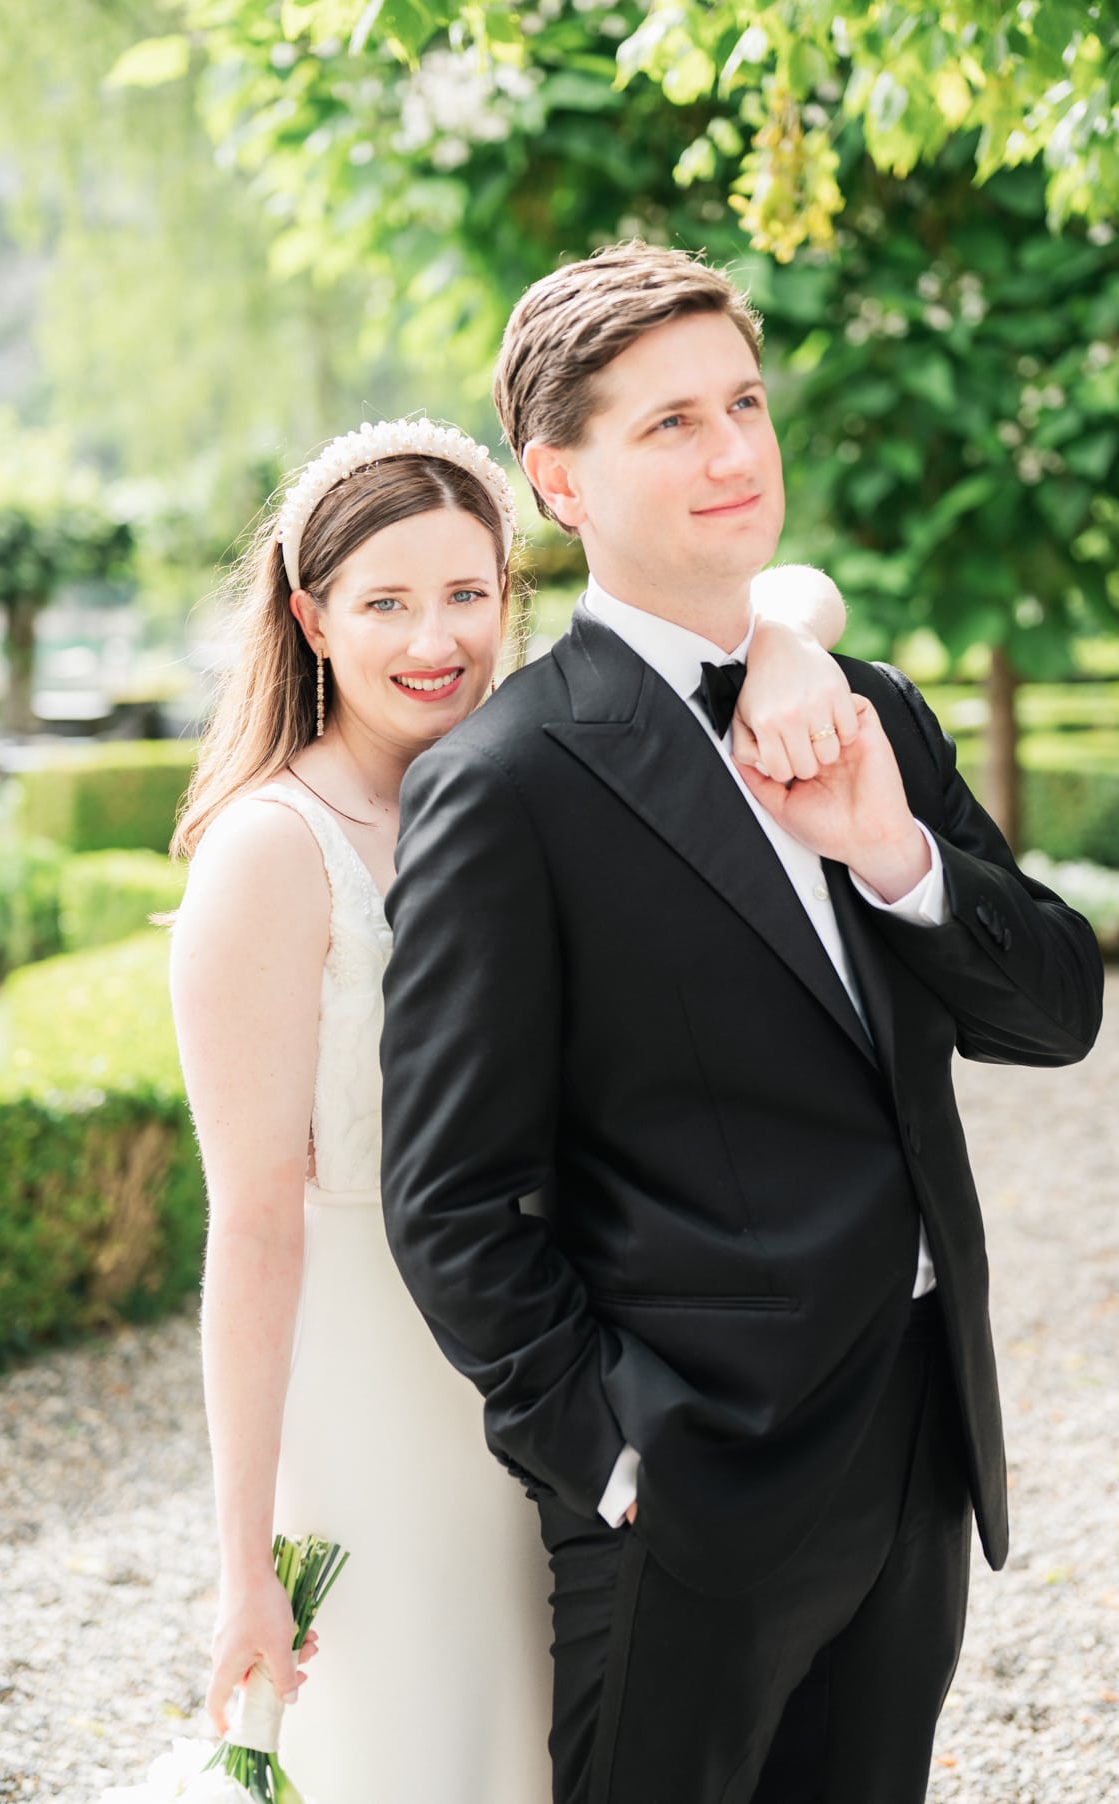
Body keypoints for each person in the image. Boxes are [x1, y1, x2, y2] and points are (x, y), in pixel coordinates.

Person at [378, 248, 1106, 1804]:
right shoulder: (505, 785)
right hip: (689, 1487)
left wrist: (891, 854)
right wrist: (616, 1455)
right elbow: (447, 1199)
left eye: (747, 405)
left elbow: (1056, 1014)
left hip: (920, 1443)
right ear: (557, 480)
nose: (732, 455)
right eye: (671, 424)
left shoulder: (876, 710)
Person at [168, 413, 859, 1804]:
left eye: (468, 594)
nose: (438, 639)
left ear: (515, 592)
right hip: (378, 1397)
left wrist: (785, 646)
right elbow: (249, 1229)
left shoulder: (548, 766)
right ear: (309, 617)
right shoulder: (270, 851)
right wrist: (243, 1562)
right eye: (386, 604)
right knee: (426, 1742)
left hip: (564, 1358)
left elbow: (781, 591)